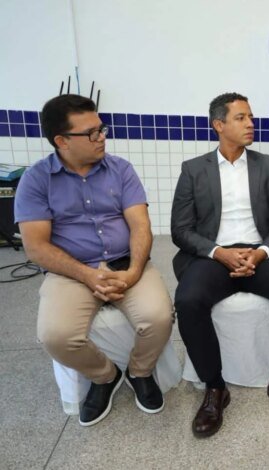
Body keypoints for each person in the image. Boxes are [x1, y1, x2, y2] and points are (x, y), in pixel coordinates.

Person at [14, 94, 173, 427]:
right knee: (56, 336)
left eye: (101, 128)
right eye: (91, 133)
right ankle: (105, 376)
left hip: (125, 262)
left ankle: (140, 372)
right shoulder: (36, 180)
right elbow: (36, 247)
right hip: (71, 270)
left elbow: (140, 226)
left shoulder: (120, 169)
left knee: (160, 317)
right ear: (61, 141)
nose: (102, 137)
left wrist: (133, 272)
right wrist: (87, 275)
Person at [171, 93, 269, 437]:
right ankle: (214, 387)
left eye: (251, 117)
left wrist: (262, 252)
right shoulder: (193, 170)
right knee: (188, 300)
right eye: (241, 118)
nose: (251, 124)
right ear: (219, 125)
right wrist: (218, 253)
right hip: (213, 256)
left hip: (259, 254)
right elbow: (181, 229)